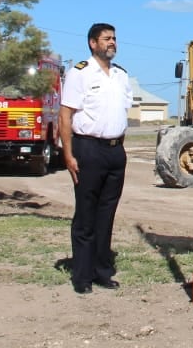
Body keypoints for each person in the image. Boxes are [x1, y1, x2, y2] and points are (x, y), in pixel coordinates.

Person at [59, 23, 132, 295]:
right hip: (88, 149)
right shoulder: (80, 73)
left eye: (114, 38)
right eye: (106, 39)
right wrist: (68, 154)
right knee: (86, 215)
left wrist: (119, 147)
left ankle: (102, 271)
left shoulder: (121, 76)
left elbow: (122, 113)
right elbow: (65, 115)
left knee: (106, 215)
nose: (112, 42)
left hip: (115, 151)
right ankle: (82, 276)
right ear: (93, 43)